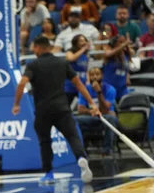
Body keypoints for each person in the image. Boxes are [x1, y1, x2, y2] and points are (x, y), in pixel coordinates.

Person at [12, 36, 96, 184]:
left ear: (38, 47)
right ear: (49, 47)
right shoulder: (62, 62)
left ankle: (48, 173)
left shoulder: (33, 65)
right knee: (72, 136)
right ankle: (81, 158)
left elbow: (21, 84)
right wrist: (91, 103)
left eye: (34, 47)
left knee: (45, 141)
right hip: (62, 108)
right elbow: (78, 84)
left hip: (43, 110)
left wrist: (17, 104)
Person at [75, 67, 119, 156]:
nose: (94, 77)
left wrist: (99, 92)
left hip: (105, 118)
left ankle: (106, 149)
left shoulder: (110, 89)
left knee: (111, 118)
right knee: (74, 120)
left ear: (102, 75)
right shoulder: (84, 89)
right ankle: (80, 149)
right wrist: (90, 111)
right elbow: (80, 109)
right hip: (91, 117)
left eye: (97, 74)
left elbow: (105, 110)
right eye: (92, 75)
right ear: (89, 77)